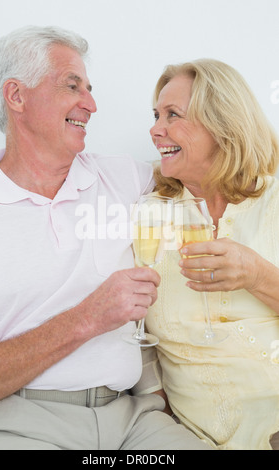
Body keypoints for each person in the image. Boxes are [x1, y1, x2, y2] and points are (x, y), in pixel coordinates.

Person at [0, 26, 210, 450]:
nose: (91, 104)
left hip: (129, 418)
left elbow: (210, 172)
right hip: (15, 422)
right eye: (72, 86)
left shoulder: (123, 178)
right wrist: (86, 318)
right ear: (16, 96)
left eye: (90, 88)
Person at [146, 58, 279, 450]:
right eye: (155, 115)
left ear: (223, 124)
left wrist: (259, 276)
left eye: (173, 115)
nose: (155, 130)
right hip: (193, 438)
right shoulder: (148, 216)